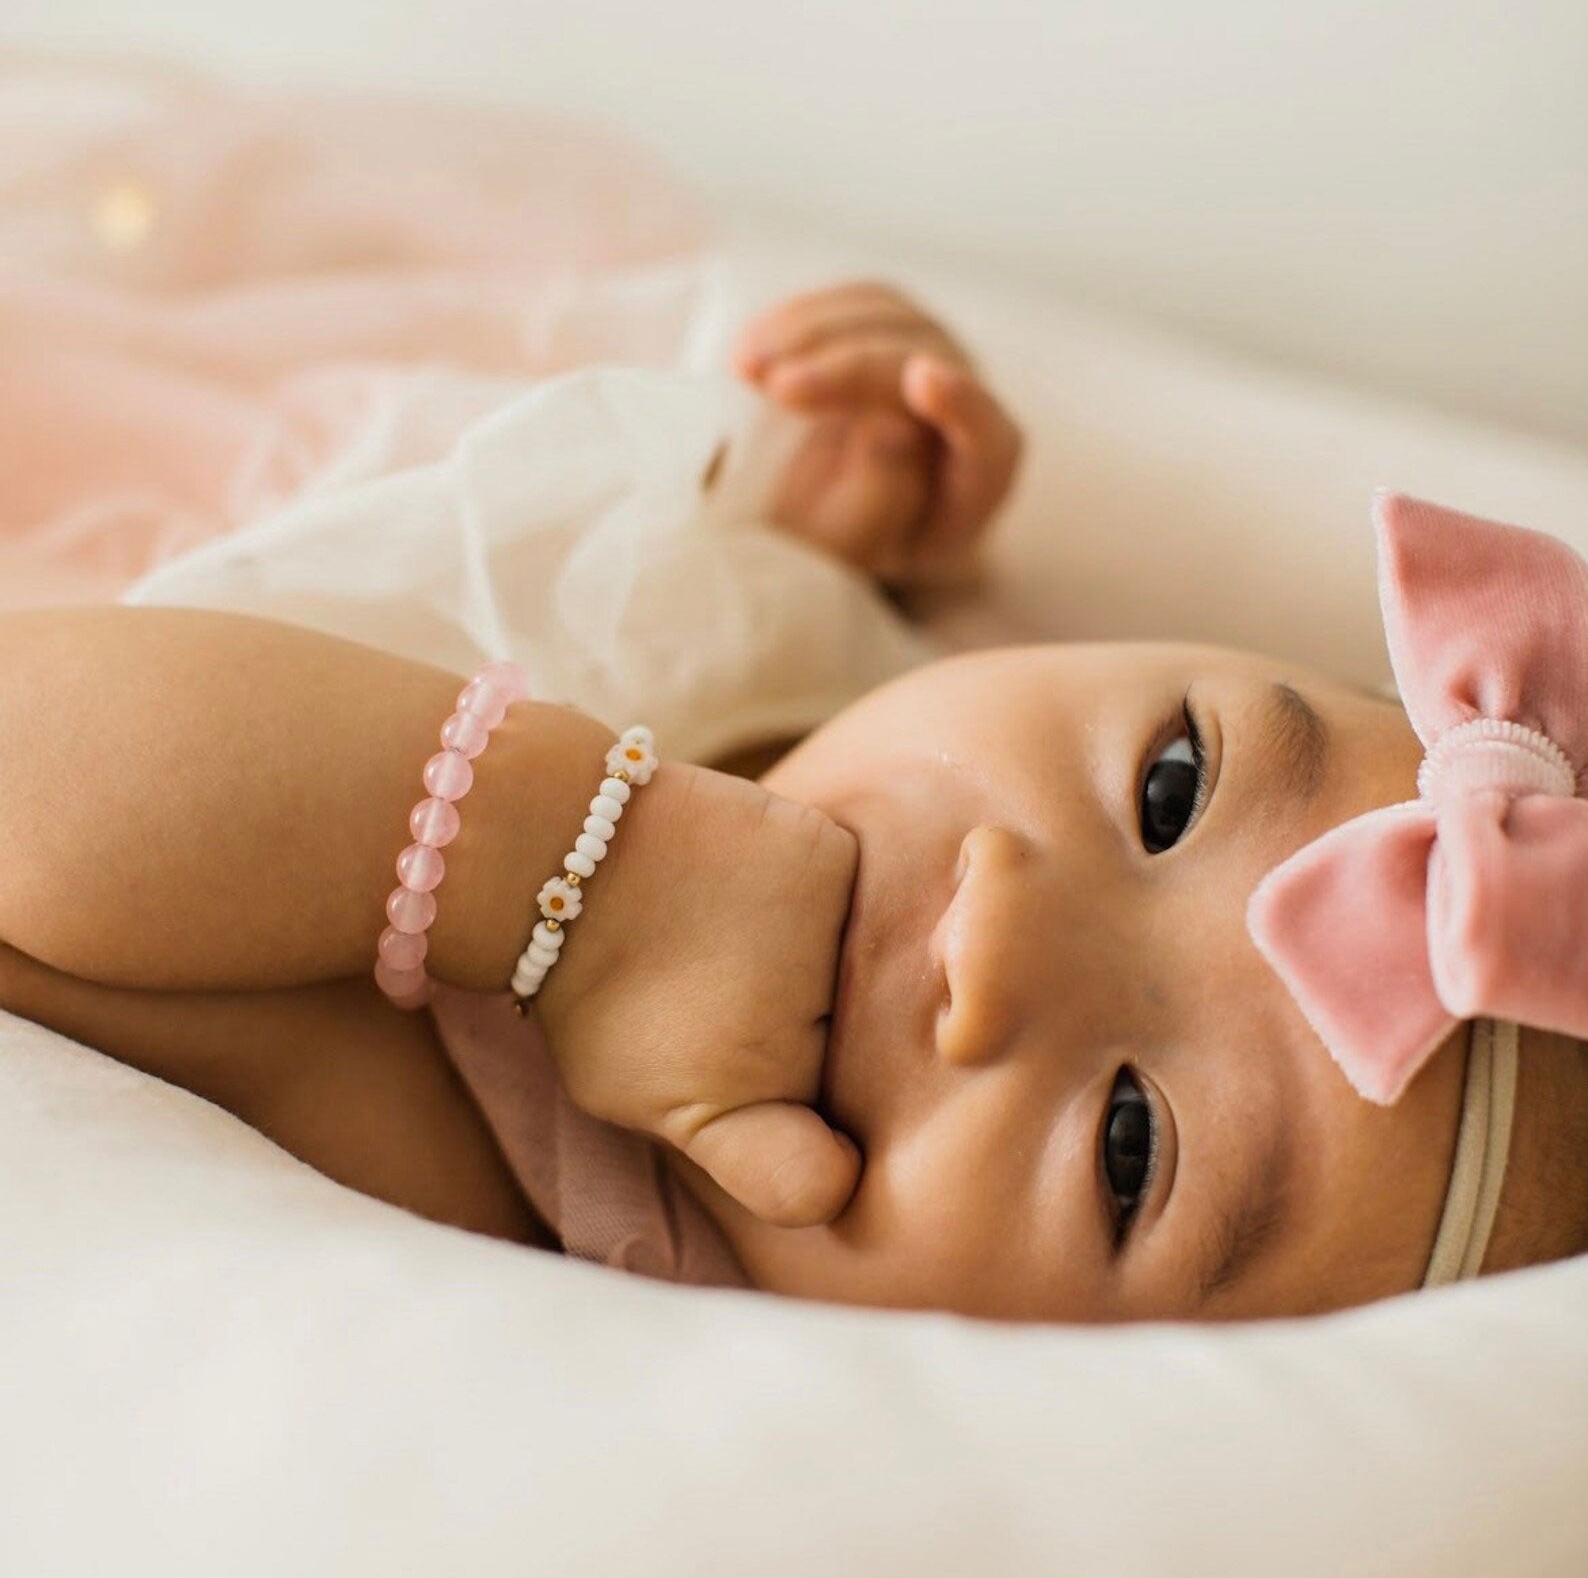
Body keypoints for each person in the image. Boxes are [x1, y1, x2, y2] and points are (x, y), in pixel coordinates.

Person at [2, 279, 1585, 1323]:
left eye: (1126, 1148)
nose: (1003, 918)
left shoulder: (488, 1158)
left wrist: (583, 877)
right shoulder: (885, 709)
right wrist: (848, 541)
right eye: (1173, 784)